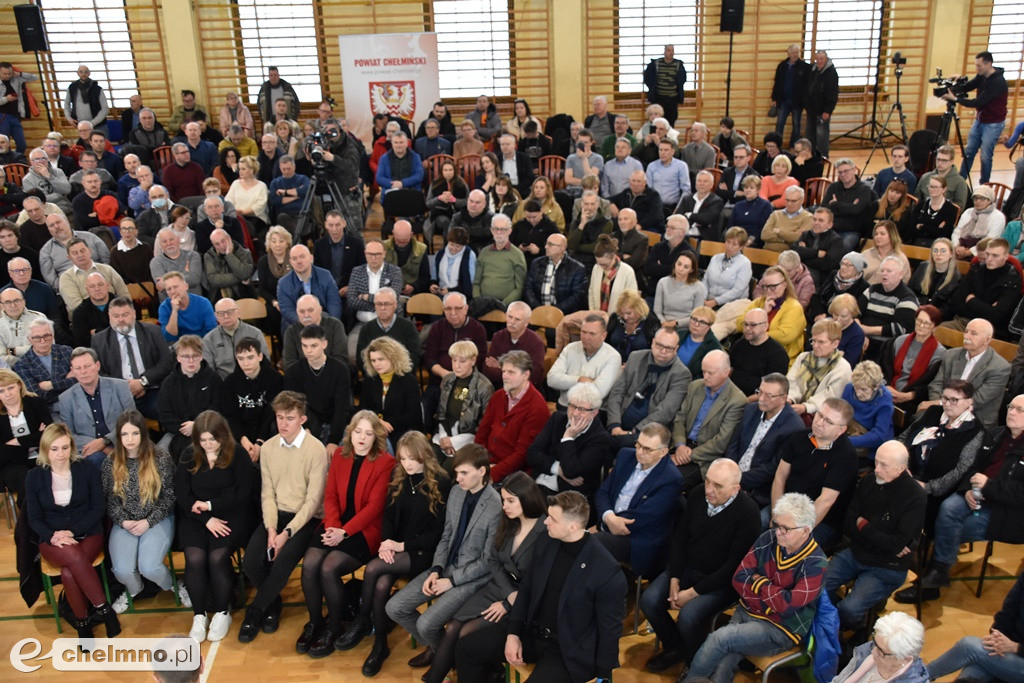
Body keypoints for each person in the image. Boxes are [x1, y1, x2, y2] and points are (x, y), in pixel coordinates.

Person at [455, 490, 627, 683]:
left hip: (565, 650)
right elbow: (527, 590)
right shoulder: (547, 540)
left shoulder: (606, 570)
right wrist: (513, 634)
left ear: (573, 526)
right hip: (532, 632)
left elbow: (609, 629)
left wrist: (604, 677)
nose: (545, 522)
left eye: (552, 519)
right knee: (466, 649)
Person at [687, 491, 827, 681]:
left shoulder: (816, 563)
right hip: (747, 612)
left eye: (785, 528)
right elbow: (738, 578)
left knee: (719, 639)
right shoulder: (768, 538)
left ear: (805, 530)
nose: (778, 532)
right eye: (777, 525)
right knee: (723, 663)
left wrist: (759, 582)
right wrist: (772, 597)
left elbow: (788, 606)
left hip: (780, 629)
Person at [384, 442, 501, 669]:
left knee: (427, 624)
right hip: (445, 566)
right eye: (457, 473)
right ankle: (443, 652)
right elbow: (446, 536)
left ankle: (442, 656)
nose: (458, 479)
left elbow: (487, 561)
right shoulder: (457, 493)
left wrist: (451, 581)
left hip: (471, 578)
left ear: (482, 471)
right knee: (394, 607)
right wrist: (436, 569)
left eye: (464, 473)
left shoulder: (495, 505)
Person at [640, 459, 762, 675]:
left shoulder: (748, 513)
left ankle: (697, 665)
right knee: (649, 601)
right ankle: (675, 648)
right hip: (688, 568)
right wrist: (675, 578)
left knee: (689, 616)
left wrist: (693, 593)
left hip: (721, 581)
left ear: (736, 489)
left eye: (718, 486)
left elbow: (733, 567)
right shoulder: (697, 494)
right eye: (707, 482)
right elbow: (680, 538)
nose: (709, 489)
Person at [423, 472, 547, 683]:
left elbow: (540, 581)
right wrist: (509, 593)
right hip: (501, 586)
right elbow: (493, 561)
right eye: (503, 500)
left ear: (526, 497)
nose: (504, 506)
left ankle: (487, 673)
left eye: (510, 501)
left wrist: (508, 604)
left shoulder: (545, 529)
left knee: (467, 633)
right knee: (453, 626)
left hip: (525, 599)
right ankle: (438, 678)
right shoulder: (509, 522)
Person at [297, 411, 395, 659]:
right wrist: (332, 526)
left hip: (364, 530)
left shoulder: (385, 462)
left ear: (376, 437)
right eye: (358, 432)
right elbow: (330, 495)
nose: (362, 438)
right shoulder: (340, 455)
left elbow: (375, 507)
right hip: (335, 523)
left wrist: (344, 532)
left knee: (328, 568)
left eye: (369, 433)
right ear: (350, 432)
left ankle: (334, 627)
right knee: (309, 565)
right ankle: (315, 622)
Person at [912, 393, 1024, 603]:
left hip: (1005, 511)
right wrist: (967, 490)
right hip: (977, 492)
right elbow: (972, 465)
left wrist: (988, 486)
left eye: (1019, 410)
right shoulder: (997, 434)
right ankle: (934, 572)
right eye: (1010, 407)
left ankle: (933, 579)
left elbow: (1020, 494)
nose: (1012, 412)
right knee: (947, 508)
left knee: (952, 530)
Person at [239, 391, 328, 643]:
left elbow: (313, 502)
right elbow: (267, 493)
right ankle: (272, 601)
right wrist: (270, 529)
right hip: (275, 515)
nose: (283, 423)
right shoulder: (267, 447)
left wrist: (286, 534)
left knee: (280, 564)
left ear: (302, 419)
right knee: (250, 562)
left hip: (304, 519)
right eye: (279, 417)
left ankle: (255, 611)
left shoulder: (316, 449)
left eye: (289, 418)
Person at [893, 380, 986, 604]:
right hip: (908, 475)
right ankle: (887, 555)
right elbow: (905, 438)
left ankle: (921, 578)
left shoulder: (975, 431)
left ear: (969, 402)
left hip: (938, 491)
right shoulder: (934, 413)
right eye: (945, 398)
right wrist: (900, 464)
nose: (947, 404)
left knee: (917, 509)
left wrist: (928, 487)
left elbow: (961, 470)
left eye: (955, 400)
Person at [25, 424, 120, 639]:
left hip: (88, 533)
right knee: (72, 561)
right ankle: (105, 611)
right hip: (53, 539)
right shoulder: (34, 476)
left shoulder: (86, 469)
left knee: (69, 571)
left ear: (72, 447)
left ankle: (83, 624)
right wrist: (53, 535)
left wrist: (72, 531)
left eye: (65, 448)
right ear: (46, 450)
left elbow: (98, 508)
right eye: (55, 449)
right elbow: (34, 518)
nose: (61, 454)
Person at [174, 410, 254, 643]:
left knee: (217, 557)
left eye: (212, 439)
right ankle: (199, 615)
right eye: (203, 440)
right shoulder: (189, 454)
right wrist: (206, 518)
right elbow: (183, 494)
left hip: (230, 516)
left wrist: (210, 505)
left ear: (223, 435)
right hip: (196, 518)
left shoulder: (237, 453)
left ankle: (222, 612)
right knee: (195, 558)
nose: (208, 444)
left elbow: (242, 494)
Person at [103, 410, 184, 612]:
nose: (130, 440)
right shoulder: (110, 462)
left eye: (135, 433)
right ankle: (134, 589)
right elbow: (110, 501)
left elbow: (170, 497)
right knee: (122, 571)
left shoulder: (160, 458)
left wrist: (148, 521)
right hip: (126, 522)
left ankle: (174, 585)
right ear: (118, 436)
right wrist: (123, 521)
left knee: (150, 567)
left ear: (143, 434)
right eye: (124, 434)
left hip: (157, 519)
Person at [770, 397, 858, 547]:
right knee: (757, 527)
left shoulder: (846, 456)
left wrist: (797, 531)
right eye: (819, 415)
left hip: (820, 521)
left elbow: (825, 501)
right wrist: (776, 514)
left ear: (841, 429)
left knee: (790, 549)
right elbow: (780, 477)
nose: (819, 422)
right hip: (785, 507)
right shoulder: (798, 437)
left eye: (828, 421)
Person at [926, 570, 1024, 681]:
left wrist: (1016, 648)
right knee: (967, 677)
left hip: (1018, 654)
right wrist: (997, 637)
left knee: (968, 647)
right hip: (1008, 648)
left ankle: (919, 676)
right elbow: (1007, 612)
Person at [670, 350, 748, 487]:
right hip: (679, 445)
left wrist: (688, 456)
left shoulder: (737, 400)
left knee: (670, 479)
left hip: (703, 458)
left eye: (710, 373)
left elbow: (721, 442)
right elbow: (679, 418)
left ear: (726, 372)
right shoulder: (695, 386)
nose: (705, 376)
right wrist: (680, 446)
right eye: (703, 371)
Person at [606, 328, 690, 449]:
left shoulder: (681, 374)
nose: (663, 351)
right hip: (620, 420)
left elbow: (665, 412)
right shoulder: (636, 357)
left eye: (669, 348)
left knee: (617, 445)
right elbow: (617, 392)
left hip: (648, 431)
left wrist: (633, 432)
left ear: (676, 349)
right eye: (659, 345)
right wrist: (615, 425)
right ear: (652, 342)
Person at [91, 296, 174, 419]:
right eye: (116, 316)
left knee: (165, 408)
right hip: (117, 394)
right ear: (109, 317)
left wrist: (142, 382)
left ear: (134, 314)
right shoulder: (99, 340)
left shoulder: (153, 332)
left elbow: (166, 362)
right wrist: (125, 387)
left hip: (151, 389)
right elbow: (99, 372)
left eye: (125, 315)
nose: (121, 320)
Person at [474, 350, 550, 481]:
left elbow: (522, 455)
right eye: (503, 371)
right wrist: (478, 462)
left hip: (514, 473)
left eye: (511, 372)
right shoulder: (498, 396)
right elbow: (482, 433)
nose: (505, 376)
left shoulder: (537, 407)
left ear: (526, 374)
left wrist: (492, 474)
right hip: (486, 463)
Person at [923, 318, 1010, 427]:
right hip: (943, 410)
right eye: (966, 331)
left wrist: (941, 403)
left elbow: (977, 400)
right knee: (918, 419)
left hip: (974, 419)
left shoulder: (1000, 367)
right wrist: (938, 407)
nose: (966, 336)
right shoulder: (950, 355)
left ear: (987, 340)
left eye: (973, 334)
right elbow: (937, 384)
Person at [57, 346, 134, 466]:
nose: (83, 371)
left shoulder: (121, 386)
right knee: (94, 459)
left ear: (97, 365)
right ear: (72, 371)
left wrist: (105, 441)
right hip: (89, 449)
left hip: (123, 442)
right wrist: (100, 446)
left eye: (87, 366)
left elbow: (132, 420)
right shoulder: (65, 398)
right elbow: (69, 434)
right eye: (78, 368)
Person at [283, 324, 351, 453]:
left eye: (313, 345)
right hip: (308, 423)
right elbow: (296, 405)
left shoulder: (340, 370)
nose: (308, 350)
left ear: (324, 344)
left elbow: (342, 407)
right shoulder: (294, 372)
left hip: (336, 424)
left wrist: (333, 440)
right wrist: (306, 428)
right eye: (305, 346)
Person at [943, 51, 1007, 185]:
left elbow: (978, 102)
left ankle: (984, 184)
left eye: (979, 66)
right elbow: (968, 86)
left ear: (988, 64)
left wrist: (955, 99)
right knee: (969, 151)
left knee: (985, 156)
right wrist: (957, 83)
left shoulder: (997, 82)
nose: (977, 69)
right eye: (976, 66)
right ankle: (961, 180)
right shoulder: (982, 75)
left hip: (993, 124)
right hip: (980, 120)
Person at [220, 337, 282, 460]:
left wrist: (260, 442)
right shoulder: (230, 382)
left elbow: (271, 413)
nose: (246, 364)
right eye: (241, 359)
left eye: (250, 357)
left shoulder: (274, 378)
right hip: (242, 430)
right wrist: (242, 438)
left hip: (267, 428)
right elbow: (231, 415)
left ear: (260, 356)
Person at [944, 238, 1021, 337]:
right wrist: (987, 309)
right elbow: (956, 302)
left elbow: (998, 316)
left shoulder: (1013, 280)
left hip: (990, 330)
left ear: (1006, 256)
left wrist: (972, 301)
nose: (989, 259)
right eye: (987, 254)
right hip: (964, 322)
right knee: (941, 330)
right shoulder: (976, 270)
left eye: (995, 255)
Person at [432, 340, 494, 458]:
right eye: (454, 360)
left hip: (468, 442)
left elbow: (484, 426)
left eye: (462, 361)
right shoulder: (447, 380)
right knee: (428, 463)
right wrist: (445, 438)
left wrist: (454, 442)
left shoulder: (485, 387)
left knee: (448, 470)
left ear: (473, 360)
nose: (457, 365)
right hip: (443, 437)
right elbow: (441, 414)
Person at [737, 266, 807, 365]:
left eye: (773, 287)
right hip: (753, 352)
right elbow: (739, 324)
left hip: (780, 358)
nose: (769, 291)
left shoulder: (794, 307)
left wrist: (753, 334)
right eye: (765, 287)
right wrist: (763, 313)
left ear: (784, 285)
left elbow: (784, 336)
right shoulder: (759, 302)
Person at [360, 336, 422, 447]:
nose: (376, 364)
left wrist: (387, 424)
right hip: (374, 428)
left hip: (402, 432)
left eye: (381, 359)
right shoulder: (370, 379)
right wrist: (378, 422)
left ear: (393, 357)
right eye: (373, 360)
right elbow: (364, 407)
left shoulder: (408, 380)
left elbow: (413, 415)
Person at [0, 369, 50, 503]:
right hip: (11, 465)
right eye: (2, 391)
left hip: (42, 457)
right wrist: (34, 438)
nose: (8, 394)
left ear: (19, 385)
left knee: (52, 478)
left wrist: (16, 441)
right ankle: (30, 520)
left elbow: (50, 434)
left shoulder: (35, 403)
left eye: (11, 388)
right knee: (28, 481)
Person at [834, 612, 929, 682]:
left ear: (905, 660)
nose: (873, 652)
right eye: (874, 642)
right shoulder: (871, 648)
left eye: (881, 651)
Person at [786, 318, 853, 417]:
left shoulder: (843, 368)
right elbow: (791, 381)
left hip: (820, 415)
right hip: (793, 406)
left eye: (821, 342)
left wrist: (806, 407)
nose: (815, 345)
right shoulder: (803, 357)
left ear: (835, 344)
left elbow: (830, 397)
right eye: (813, 340)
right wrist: (790, 398)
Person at [13, 318, 75, 418]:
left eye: (46, 336)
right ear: (29, 339)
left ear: (53, 335)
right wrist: (66, 381)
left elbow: (82, 379)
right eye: (37, 337)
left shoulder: (67, 351)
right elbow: (38, 396)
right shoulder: (22, 364)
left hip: (77, 403)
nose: (43, 341)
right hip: (50, 411)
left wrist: (52, 385)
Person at [277, 244, 343, 334]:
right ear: (291, 262)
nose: (299, 261)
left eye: (302, 257)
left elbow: (334, 302)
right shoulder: (283, 283)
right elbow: (287, 310)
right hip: (297, 325)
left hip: (323, 320)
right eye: (294, 259)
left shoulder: (325, 275)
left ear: (311, 258)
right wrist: (307, 325)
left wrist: (331, 323)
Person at [354, 287, 421, 372]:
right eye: (379, 304)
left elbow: (415, 356)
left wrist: (393, 371)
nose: (382, 308)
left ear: (395, 305)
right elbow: (361, 360)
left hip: (402, 376)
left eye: (387, 304)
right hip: (375, 378)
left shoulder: (408, 327)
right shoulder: (366, 329)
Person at [202, 297, 269, 378]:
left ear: (238, 312)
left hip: (253, 380)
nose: (226, 316)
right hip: (224, 385)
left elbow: (265, 363)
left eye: (229, 312)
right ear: (216, 316)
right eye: (221, 313)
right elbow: (209, 371)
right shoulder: (209, 339)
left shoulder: (255, 333)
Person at [728, 310, 791, 396]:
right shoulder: (739, 344)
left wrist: (744, 401)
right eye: (745, 324)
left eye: (753, 325)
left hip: (756, 402)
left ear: (765, 326)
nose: (747, 329)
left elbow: (772, 390)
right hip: (730, 395)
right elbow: (730, 371)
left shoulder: (778, 354)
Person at [523, 232, 587, 314]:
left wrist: (554, 311)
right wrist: (537, 308)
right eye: (546, 243)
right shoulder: (537, 263)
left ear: (562, 248)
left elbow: (577, 296)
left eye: (550, 244)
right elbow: (528, 287)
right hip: (537, 312)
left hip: (563, 315)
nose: (546, 247)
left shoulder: (577, 268)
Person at [157, 271, 217, 342]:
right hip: (178, 346)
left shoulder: (203, 302)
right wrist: (174, 311)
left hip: (202, 343)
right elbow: (169, 337)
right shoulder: (164, 307)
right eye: (169, 289)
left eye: (175, 287)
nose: (173, 292)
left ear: (186, 286)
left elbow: (212, 331)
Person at [606, 289, 662, 362]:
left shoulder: (652, 323)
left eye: (629, 313)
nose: (625, 317)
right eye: (622, 313)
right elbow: (606, 343)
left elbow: (656, 353)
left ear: (638, 309)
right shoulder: (615, 318)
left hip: (640, 366)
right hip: (612, 362)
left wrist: (631, 366)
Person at [589, 234, 638, 313]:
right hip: (597, 315)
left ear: (614, 257)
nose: (601, 267)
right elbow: (591, 292)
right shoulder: (596, 268)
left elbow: (632, 300)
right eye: (598, 263)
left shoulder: (627, 271)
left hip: (619, 317)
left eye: (605, 264)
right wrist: (593, 312)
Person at [425, 158, 468, 243]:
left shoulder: (461, 183)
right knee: (446, 221)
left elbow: (468, 201)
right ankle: (447, 246)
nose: (448, 172)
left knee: (460, 220)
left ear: (454, 171)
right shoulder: (435, 183)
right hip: (439, 213)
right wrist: (439, 198)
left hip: (457, 212)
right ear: (442, 171)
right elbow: (428, 203)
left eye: (450, 170)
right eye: (445, 170)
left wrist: (455, 200)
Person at [908, 238, 960, 307]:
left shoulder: (956, 277)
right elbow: (910, 290)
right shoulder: (923, 266)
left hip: (937, 313)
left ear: (951, 254)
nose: (938, 254)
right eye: (935, 251)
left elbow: (950, 306)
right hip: (916, 306)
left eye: (943, 251)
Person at [805, 50, 838, 157]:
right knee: (810, 136)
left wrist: (827, 111)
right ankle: (812, 156)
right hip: (811, 110)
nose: (819, 61)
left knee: (822, 136)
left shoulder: (831, 73)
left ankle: (823, 157)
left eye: (821, 59)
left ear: (826, 59)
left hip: (822, 111)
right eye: (817, 59)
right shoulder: (813, 70)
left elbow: (833, 95)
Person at [676, 305, 723, 379]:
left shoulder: (713, 347)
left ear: (709, 326)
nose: (696, 324)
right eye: (694, 319)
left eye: (702, 322)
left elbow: (707, 376)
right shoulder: (679, 334)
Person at [644, 45, 686, 127]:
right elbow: (647, 78)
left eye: (672, 51)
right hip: (658, 98)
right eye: (669, 50)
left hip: (672, 99)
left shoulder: (678, 65)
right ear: (664, 52)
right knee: (656, 122)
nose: (671, 53)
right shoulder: (656, 64)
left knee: (671, 122)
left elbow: (682, 80)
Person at [761, 185, 812, 253]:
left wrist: (779, 231)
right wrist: (787, 238)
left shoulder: (808, 217)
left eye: (793, 201)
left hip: (788, 257)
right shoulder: (775, 214)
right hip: (766, 253)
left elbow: (797, 238)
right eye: (787, 200)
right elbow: (764, 235)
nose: (789, 204)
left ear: (802, 200)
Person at [727, 176, 773, 246]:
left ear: (758, 190)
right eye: (746, 187)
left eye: (751, 188)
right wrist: (734, 239)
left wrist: (750, 240)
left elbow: (763, 228)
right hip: (736, 239)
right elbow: (731, 225)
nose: (748, 190)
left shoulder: (765, 205)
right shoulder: (738, 205)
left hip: (755, 240)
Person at [829, 293, 865, 367]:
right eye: (835, 314)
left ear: (852, 314)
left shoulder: (857, 334)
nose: (838, 320)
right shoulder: (826, 323)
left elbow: (848, 362)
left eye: (844, 316)